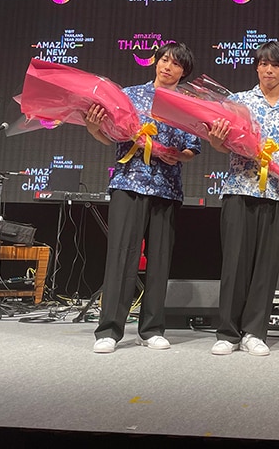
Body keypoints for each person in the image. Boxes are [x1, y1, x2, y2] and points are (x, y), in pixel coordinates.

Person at [85, 42, 200, 353]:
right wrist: (93, 127)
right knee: (121, 256)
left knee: (159, 261)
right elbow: (108, 135)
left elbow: (192, 148)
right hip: (129, 183)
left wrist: (180, 155)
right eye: (164, 60)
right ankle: (109, 330)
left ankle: (151, 329)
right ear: (155, 62)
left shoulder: (188, 104)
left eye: (176, 64)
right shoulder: (129, 95)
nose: (167, 67)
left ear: (183, 72)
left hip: (167, 188)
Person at [207, 41, 279, 356]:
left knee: (266, 267)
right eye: (264, 64)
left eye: (275, 65)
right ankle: (227, 333)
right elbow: (221, 144)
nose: (269, 70)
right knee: (235, 264)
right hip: (240, 189)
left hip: (277, 195)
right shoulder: (237, 102)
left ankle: (255, 332)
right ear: (257, 67)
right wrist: (216, 140)